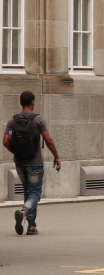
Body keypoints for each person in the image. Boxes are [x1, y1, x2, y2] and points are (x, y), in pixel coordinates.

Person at [4, 91, 61, 236]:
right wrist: (56, 156)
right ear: (33, 102)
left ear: (20, 103)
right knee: (35, 192)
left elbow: (5, 141)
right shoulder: (38, 120)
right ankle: (23, 212)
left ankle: (31, 226)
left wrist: (16, 152)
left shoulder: (13, 121)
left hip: (20, 163)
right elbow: (48, 140)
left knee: (28, 193)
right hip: (35, 163)